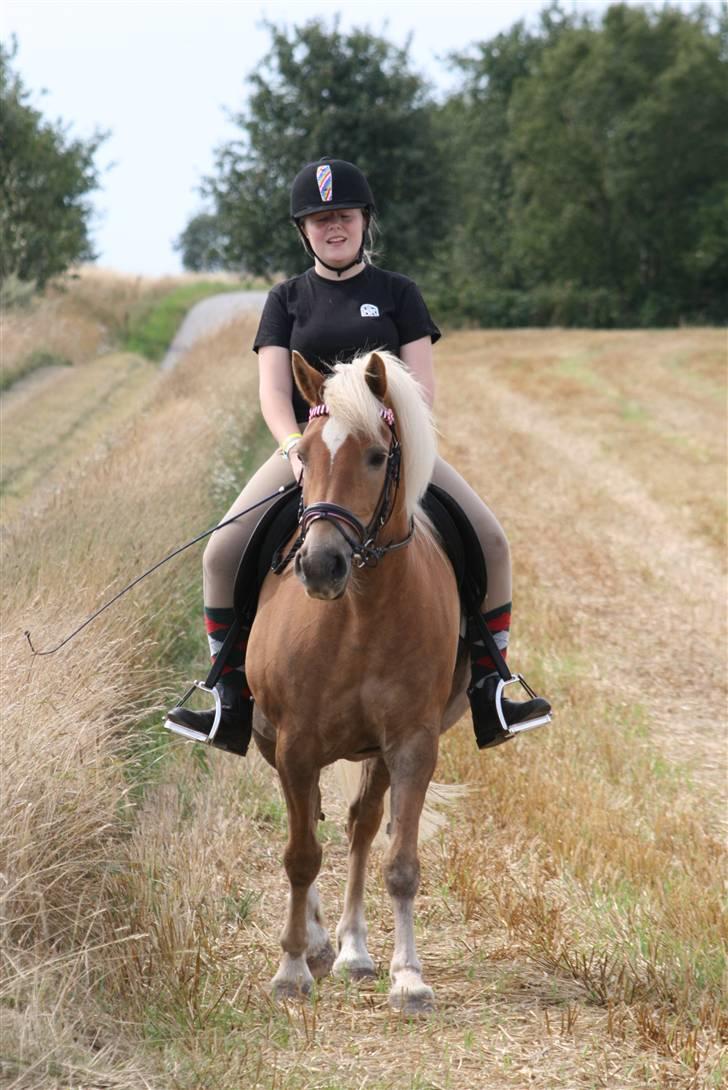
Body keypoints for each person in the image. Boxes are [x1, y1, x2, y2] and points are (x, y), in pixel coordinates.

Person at [167, 158, 551, 755]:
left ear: (364, 221)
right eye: (320, 220)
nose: (333, 227)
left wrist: (392, 443)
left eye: (343, 215)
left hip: (387, 453)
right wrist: (294, 447)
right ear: (304, 232)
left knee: (492, 541)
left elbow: (419, 392)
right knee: (221, 551)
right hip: (309, 450)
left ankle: (490, 685)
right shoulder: (286, 299)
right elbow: (273, 391)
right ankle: (228, 695)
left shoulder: (399, 294)